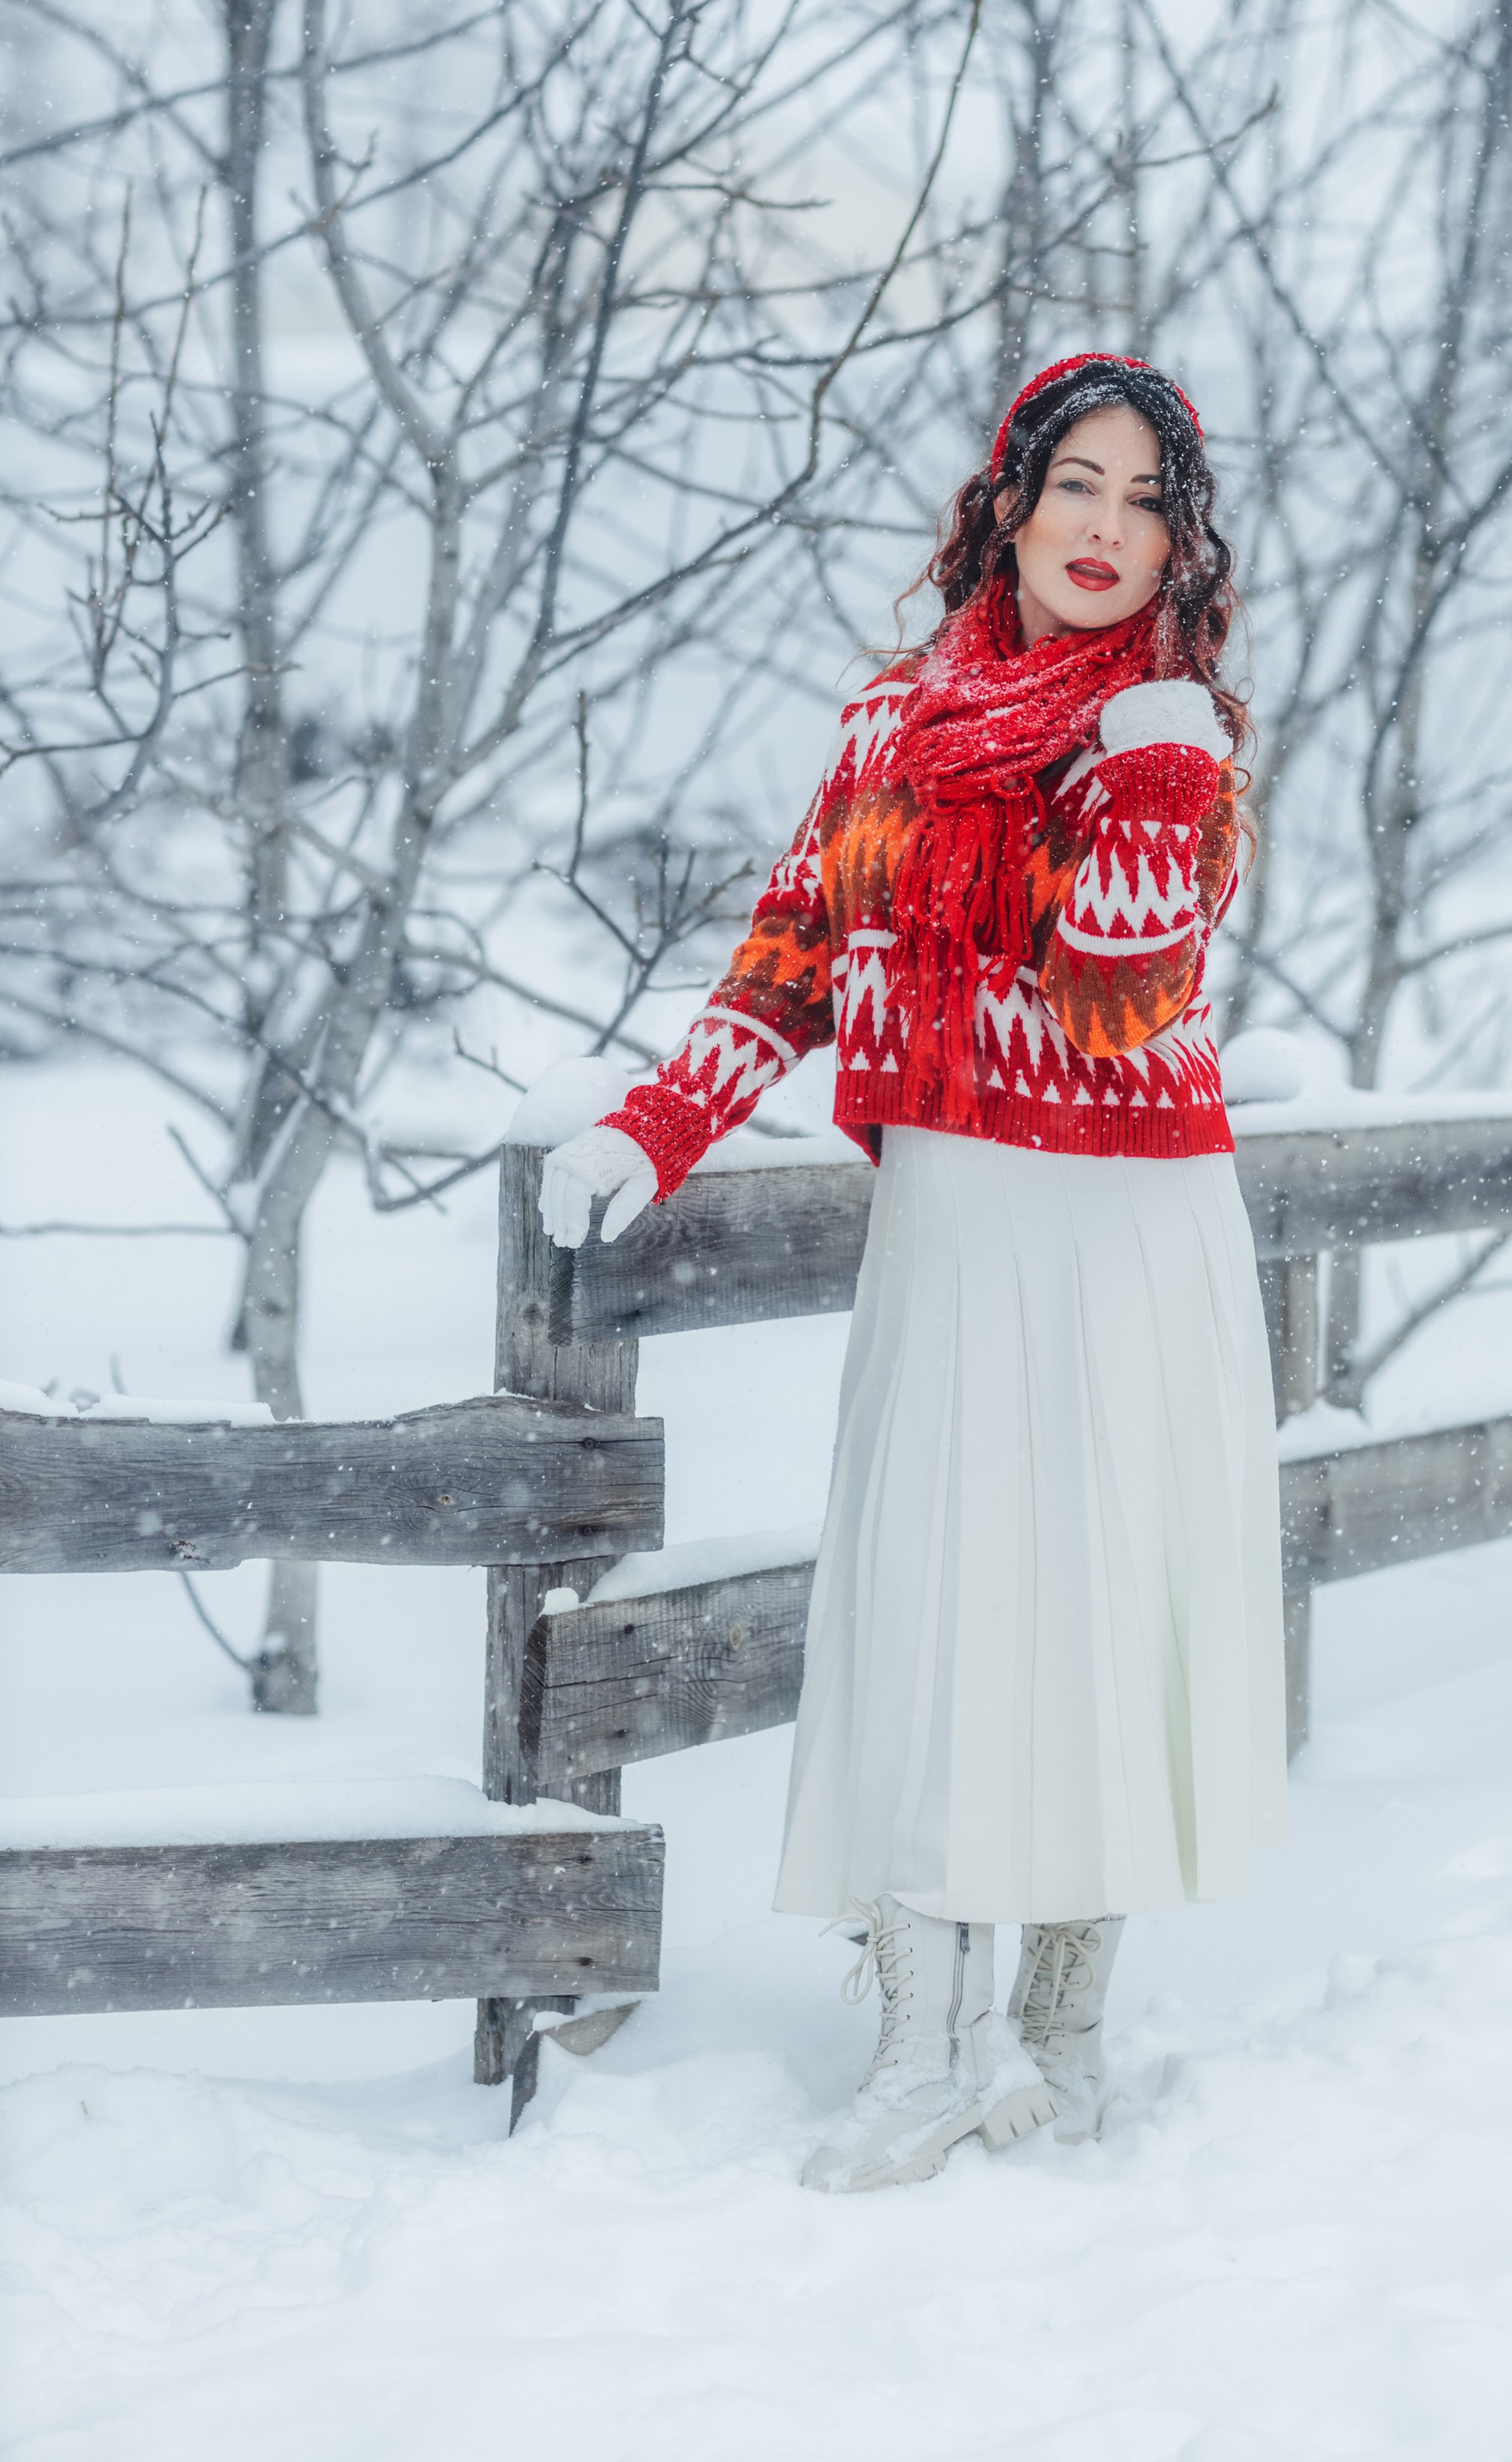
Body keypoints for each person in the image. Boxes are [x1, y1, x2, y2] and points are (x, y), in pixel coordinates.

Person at [539, 351, 1286, 2191]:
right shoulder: (890, 730)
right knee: (937, 1609)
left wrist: (1151, 764)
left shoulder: (1165, 732)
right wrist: (654, 1127)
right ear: (1009, 502)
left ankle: (1054, 2023)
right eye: (1076, 488)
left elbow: (1121, 1002)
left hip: (1125, 1223)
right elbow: (792, 960)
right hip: (957, 1227)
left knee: (1102, 1602)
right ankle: (923, 2043)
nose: (1105, 531)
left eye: (1143, 500)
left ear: (1176, 539)